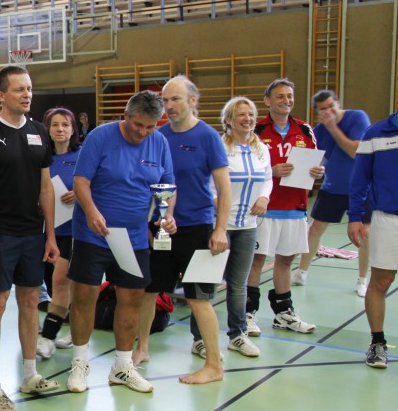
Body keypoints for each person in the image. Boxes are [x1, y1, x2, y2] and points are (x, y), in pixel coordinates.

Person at [0, 65, 59, 411]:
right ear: (1, 95)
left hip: (33, 234)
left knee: (31, 301)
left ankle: (30, 374)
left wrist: (50, 235)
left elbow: (46, 187)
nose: (27, 94)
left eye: (29, 88)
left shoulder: (39, 132)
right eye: (19, 89)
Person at [67, 90, 174, 395]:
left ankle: (123, 366)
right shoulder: (100, 137)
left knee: (132, 297)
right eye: (138, 125)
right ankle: (80, 362)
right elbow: (81, 181)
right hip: (93, 234)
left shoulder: (159, 142)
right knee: (85, 296)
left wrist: (167, 216)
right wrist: (91, 212)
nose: (143, 132)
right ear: (125, 116)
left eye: (150, 127)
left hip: (134, 237)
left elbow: (166, 186)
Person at [133, 76, 231, 385]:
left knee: (199, 298)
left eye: (175, 99)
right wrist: (150, 223)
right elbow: (150, 183)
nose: (169, 105)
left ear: (192, 101)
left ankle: (213, 365)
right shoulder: (157, 135)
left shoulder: (208, 137)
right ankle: (142, 348)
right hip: (163, 229)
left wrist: (220, 230)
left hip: (197, 229)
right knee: (150, 290)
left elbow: (224, 188)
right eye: (165, 100)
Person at [187, 97, 272, 360]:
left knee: (238, 284)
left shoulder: (261, 149)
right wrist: (217, 204)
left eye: (251, 114)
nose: (248, 119)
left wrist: (264, 197)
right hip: (218, 226)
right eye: (241, 115)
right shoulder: (219, 148)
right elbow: (207, 182)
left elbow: (268, 178)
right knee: (206, 285)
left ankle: (237, 334)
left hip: (247, 226)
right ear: (228, 120)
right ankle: (200, 339)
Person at [245, 78, 325, 336]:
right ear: (267, 101)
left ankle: (283, 314)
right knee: (256, 260)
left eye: (289, 96)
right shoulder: (256, 130)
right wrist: (272, 170)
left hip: (294, 206)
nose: (286, 100)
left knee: (286, 260)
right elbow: (243, 168)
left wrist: (319, 171)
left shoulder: (304, 129)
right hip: (263, 208)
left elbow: (315, 162)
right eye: (280, 96)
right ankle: (248, 313)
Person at [293, 90, 371, 295]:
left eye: (331, 106)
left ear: (338, 103)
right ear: (317, 112)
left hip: (362, 189)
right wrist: (314, 170)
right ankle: (301, 272)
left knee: (364, 234)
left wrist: (332, 127)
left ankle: (363, 280)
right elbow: (315, 158)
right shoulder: (319, 130)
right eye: (323, 109)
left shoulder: (357, 117)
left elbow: (355, 151)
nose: (328, 111)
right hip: (332, 188)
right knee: (314, 230)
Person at [348, 93, 398, 369]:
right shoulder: (375, 134)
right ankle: (377, 343)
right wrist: (355, 216)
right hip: (389, 219)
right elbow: (359, 178)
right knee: (381, 282)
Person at [36, 108, 79, 358]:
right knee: (55, 283)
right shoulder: (42, 159)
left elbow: (96, 187)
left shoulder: (81, 157)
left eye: (65, 124)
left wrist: (81, 194)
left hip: (73, 231)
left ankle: (49, 337)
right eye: (55, 125)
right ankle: (66, 326)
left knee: (61, 281)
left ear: (73, 129)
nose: (60, 129)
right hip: (47, 230)